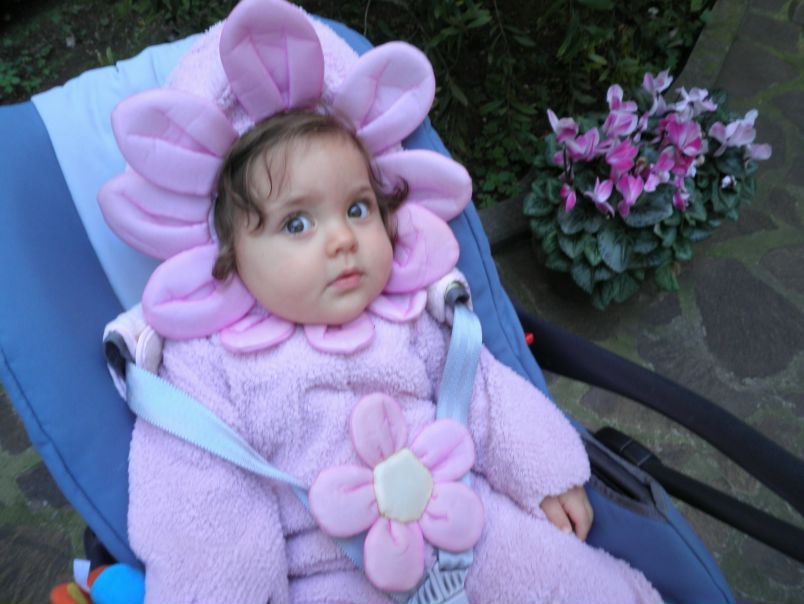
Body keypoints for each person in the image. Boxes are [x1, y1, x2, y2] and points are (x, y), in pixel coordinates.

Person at [119, 108, 663, 604]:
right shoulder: (210, 364)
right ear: (231, 255)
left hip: (469, 526)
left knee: (574, 582)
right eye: (296, 223)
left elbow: (483, 391)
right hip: (326, 573)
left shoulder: (408, 315)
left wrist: (545, 470)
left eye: (358, 209)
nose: (343, 238)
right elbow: (201, 494)